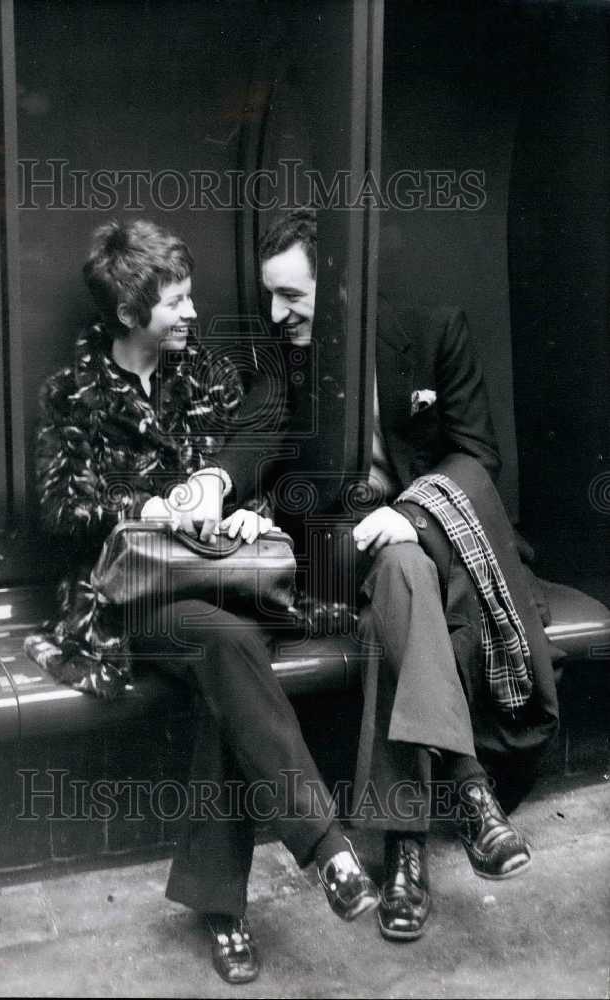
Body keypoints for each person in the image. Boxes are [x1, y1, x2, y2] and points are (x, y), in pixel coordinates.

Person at [32, 218, 380, 985]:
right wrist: (148, 507)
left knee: (229, 655)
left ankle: (224, 902)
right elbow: (54, 510)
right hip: (133, 595)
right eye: (176, 303)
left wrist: (233, 500)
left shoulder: (206, 375)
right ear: (130, 315)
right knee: (230, 648)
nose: (192, 314)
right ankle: (324, 851)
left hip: (215, 581)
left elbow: (249, 449)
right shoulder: (74, 394)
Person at [212, 209, 559, 942]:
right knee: (400, 581)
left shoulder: (431, 331)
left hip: (423, 545)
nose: (277, 315)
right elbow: (254, 436)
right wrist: (216, 483)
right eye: (270, 297)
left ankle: (405, 855)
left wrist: (412, 516)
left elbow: (475, 455)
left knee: (400, 585)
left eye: (292, 297)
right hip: (331, 556)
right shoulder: (282, 358)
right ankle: (468, 795)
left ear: (337, 285)